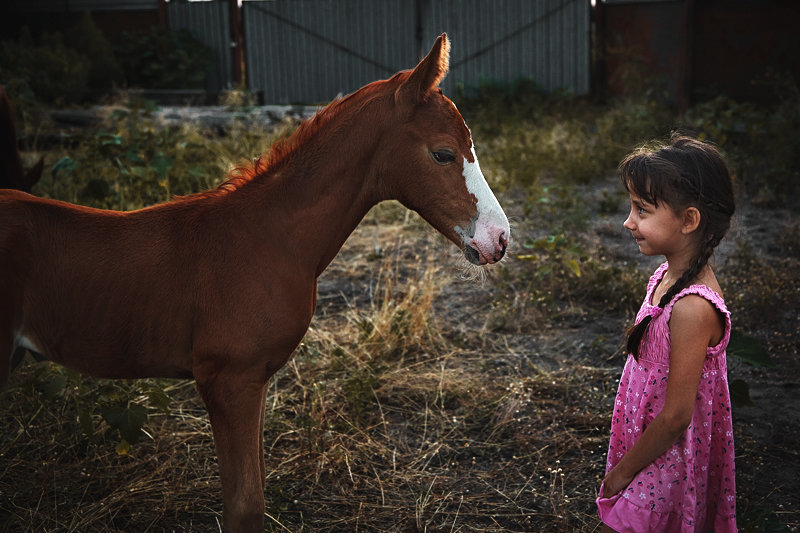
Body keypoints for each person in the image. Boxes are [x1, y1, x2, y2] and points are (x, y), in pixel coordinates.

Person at [596, 134, 738, 532]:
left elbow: (677, 416)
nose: (628, 221)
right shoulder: (665, 275)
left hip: (668, 459)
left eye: (642, 210)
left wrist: (624, 472)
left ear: (689, 220)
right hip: (648, 441)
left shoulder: (692, 307)